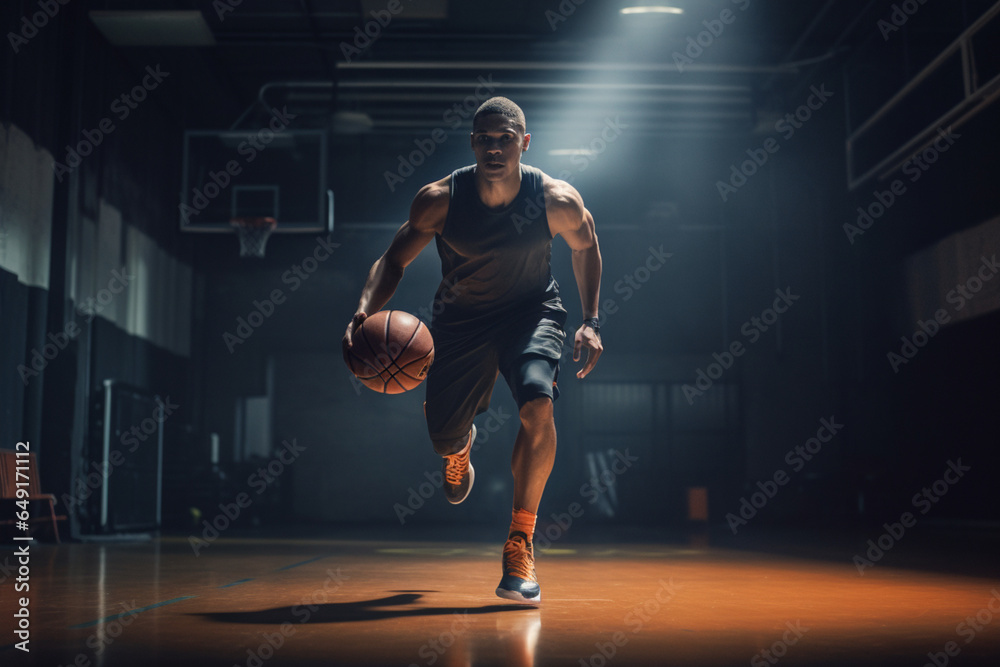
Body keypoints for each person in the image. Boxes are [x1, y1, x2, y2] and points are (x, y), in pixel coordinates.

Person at [343, 97, 602, 604]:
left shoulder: (555, 199)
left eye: (505, 138)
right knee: (442, 436)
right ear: (472, 144)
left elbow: (586, 246)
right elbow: (393, 260)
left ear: (524, 143)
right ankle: (458, 449)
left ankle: (520, 541)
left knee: (537, 403)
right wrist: (363, 308)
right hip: (461, 323)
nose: (495, 147)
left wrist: (591, 321)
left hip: (532, 314)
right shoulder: (439, 200)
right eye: (484, 138)